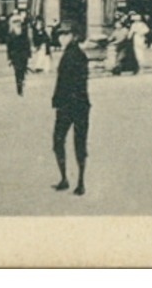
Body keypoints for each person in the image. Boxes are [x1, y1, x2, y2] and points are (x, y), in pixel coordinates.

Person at [50, 20, 91, 196]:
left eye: (65, 34)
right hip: (77, 104)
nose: (62, 38)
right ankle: (71, 180)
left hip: (71, 105)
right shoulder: (73, 53)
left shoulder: (74, 55)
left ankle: (73, 181)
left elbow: (72, 82)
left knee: (64, 142)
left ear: (74, 36)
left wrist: (59, 99)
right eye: (60, 34)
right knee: (75, 143)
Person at [5, 10, 32, 96]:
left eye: (18, 22)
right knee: (17, 70)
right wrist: (9, 57)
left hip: (23, 54)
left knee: (23, 69)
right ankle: (19, 85)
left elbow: (27, 43)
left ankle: (22, 79)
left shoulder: (24, 32)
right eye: (15, 22)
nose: (17, 24)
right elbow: (9, 47)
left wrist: (29, 53)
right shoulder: (10, 34)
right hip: (15, 55)